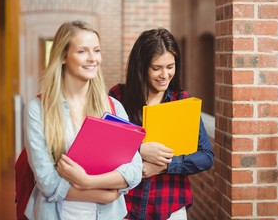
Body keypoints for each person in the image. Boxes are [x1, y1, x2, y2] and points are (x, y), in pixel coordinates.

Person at [24, 20, 142, 220]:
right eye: (82, 51)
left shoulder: (113, 107)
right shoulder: (38, 110)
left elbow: (133, 171)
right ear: (63, 56)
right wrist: (105, 193)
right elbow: (47, 181)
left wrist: (86, 181)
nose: (92, 58)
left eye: (96, 50)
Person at [109, 28, 214, 220]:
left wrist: (166, 166)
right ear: (141, 68)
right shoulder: (118, 97)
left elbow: (206, 156)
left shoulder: (182, 101)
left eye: (170, 66)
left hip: (169, 206)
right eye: (156, 68)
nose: (165, 75)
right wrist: (140, 151)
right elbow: (105, 147)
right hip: (125, 205)